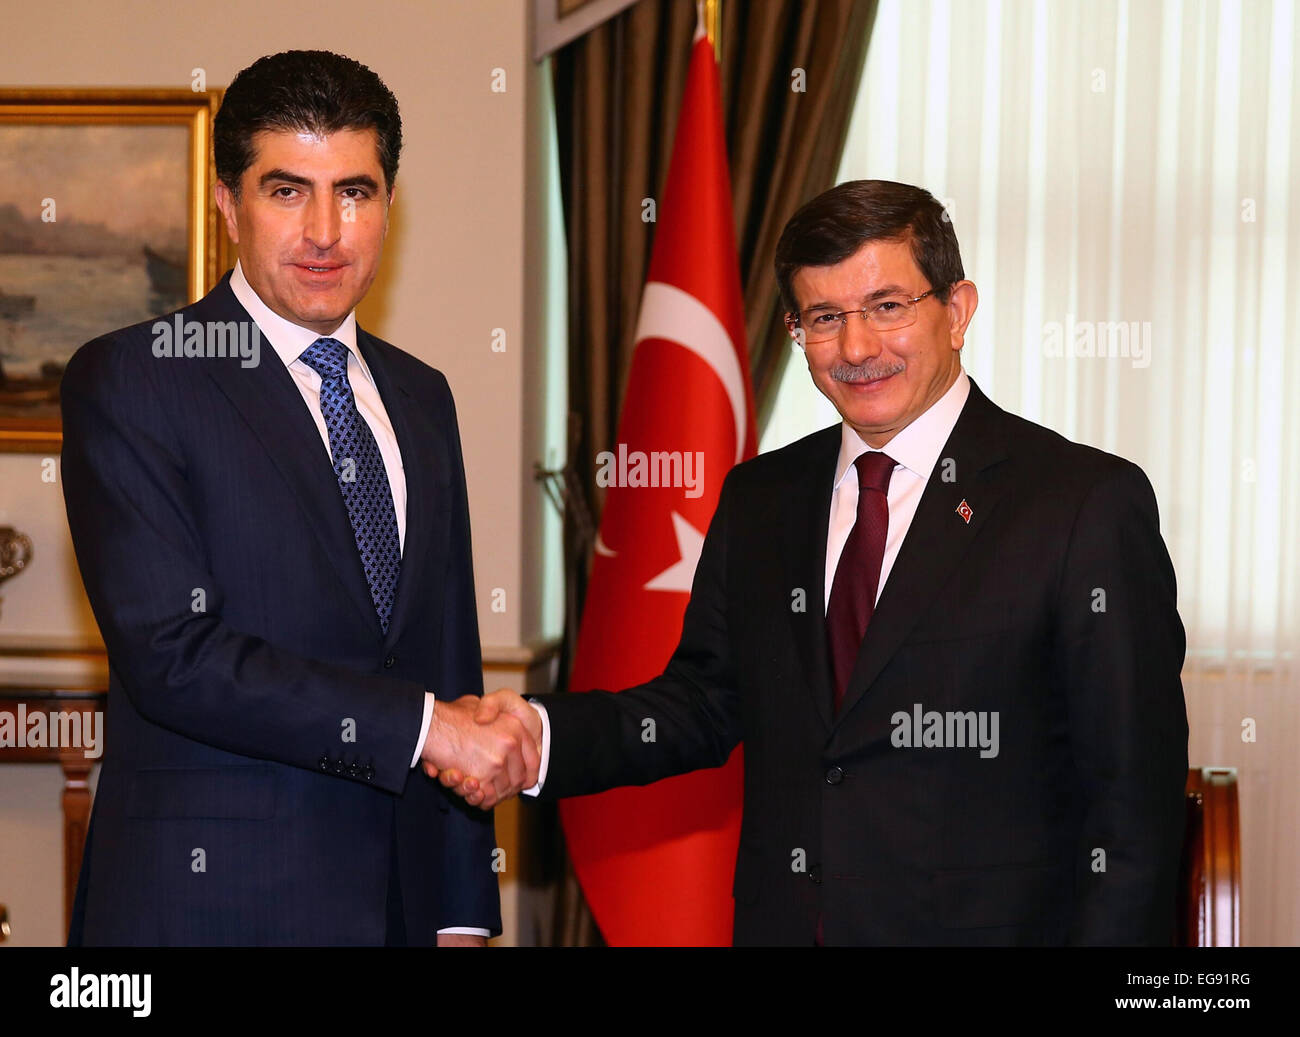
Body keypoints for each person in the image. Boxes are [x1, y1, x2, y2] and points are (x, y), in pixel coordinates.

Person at [435, 180, 1190, 946]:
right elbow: (700, 702)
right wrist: (537, 734)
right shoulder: (762, 496)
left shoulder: (1082, 504)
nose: (856, 348)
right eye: (825, 318)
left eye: (887, 306)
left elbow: (1135, 809)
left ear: (957, 311)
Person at [59, 50, 538, 946]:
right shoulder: (132, 379)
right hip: (207, 913)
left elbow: (445, 654)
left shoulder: (422, 395)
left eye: (354, 192)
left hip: (400, 912)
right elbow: (174, 656)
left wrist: (466, 914)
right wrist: (427, 730)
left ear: (390, 205)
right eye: (288, 192)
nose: (327, 230)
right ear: (227, 203)